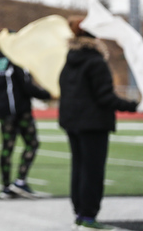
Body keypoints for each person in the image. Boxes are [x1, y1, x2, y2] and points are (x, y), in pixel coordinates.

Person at [59, 15, 140, 231]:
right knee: (93, 171)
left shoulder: (70, 59)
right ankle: (88, 217)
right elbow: (105, 97)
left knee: (79, 169)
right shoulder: (96, 62)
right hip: (93, 123)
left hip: (72, 122)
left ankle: (79, 213)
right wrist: (134, 106)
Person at [0, 48, 51, 199]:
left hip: (2, 110)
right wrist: (47, 94)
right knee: (32, 143)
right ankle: (20, 181)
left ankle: (6, 186)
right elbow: (27, 87)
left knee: (7, 146)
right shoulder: (16, 60)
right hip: (20, 111)